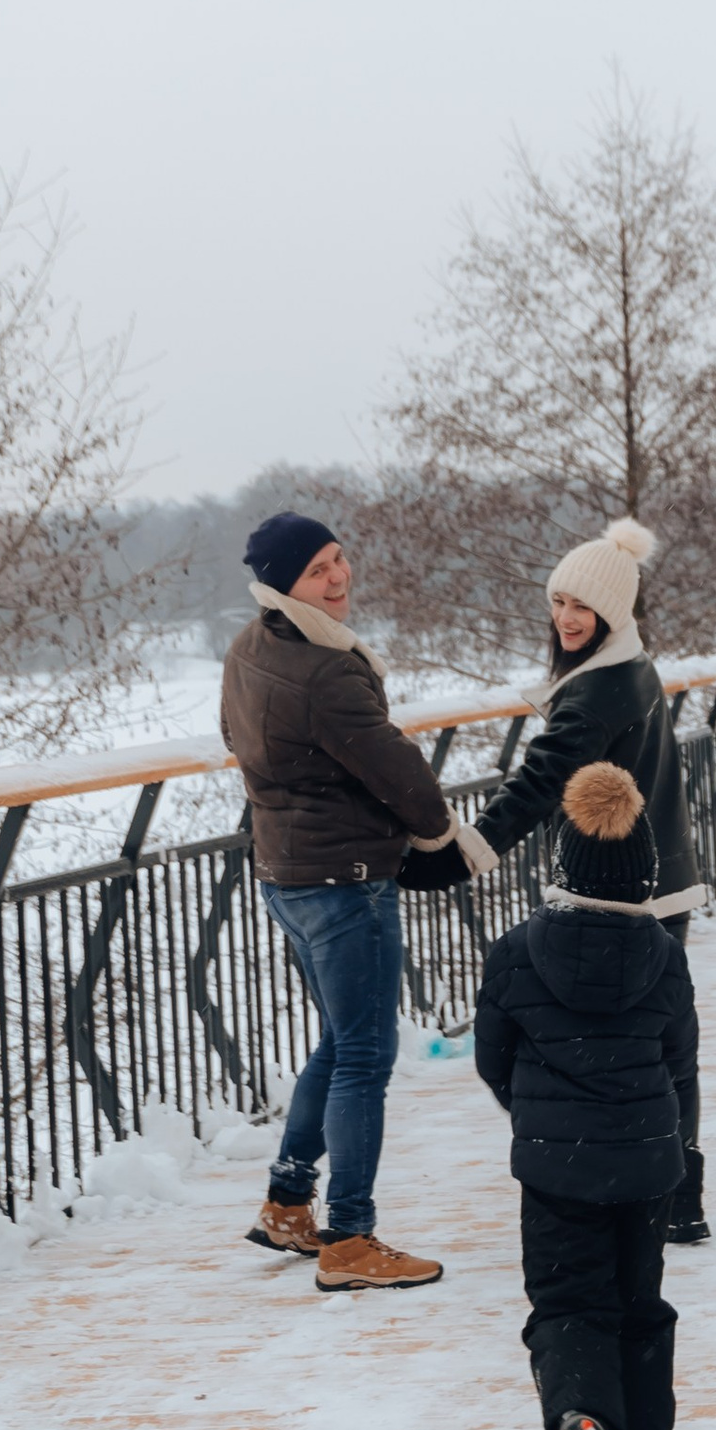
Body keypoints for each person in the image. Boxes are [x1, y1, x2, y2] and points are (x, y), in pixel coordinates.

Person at [220, 507, 498, 1290]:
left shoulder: (249, 649)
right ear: (283, 585)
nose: (338, 576)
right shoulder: (328, 670)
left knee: (341, 1043)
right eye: (318, 570)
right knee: (365, 1059)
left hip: (286, 875)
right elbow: (399, 771)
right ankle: (349, 1239)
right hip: (345, 884)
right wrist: (442, 839)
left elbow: (234, 740)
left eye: (338, 559)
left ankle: (286, 1204)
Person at [468, 518, 711, 1242]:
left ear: (614, 615)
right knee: (665, 1044)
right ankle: (678, 1193)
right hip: (660, 878)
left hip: (619, 888)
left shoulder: (600, 689)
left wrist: (471, 847)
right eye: (559, 603)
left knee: (612, 1049)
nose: (567, 619)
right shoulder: (633, 669)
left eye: (583, 608)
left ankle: (622, 1185)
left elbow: (540, 780)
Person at [473, 760, 688, 1430]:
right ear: (643, 874)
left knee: (568, 1301)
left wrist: (537, 1114)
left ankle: (579, 1416)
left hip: (555, 1163)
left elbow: (492, 1060)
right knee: (640, 1300)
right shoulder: (665, 956)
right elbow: (680, 1065)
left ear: (564, 865)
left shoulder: (514, 953)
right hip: (646, 1158)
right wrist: (678, 1148)